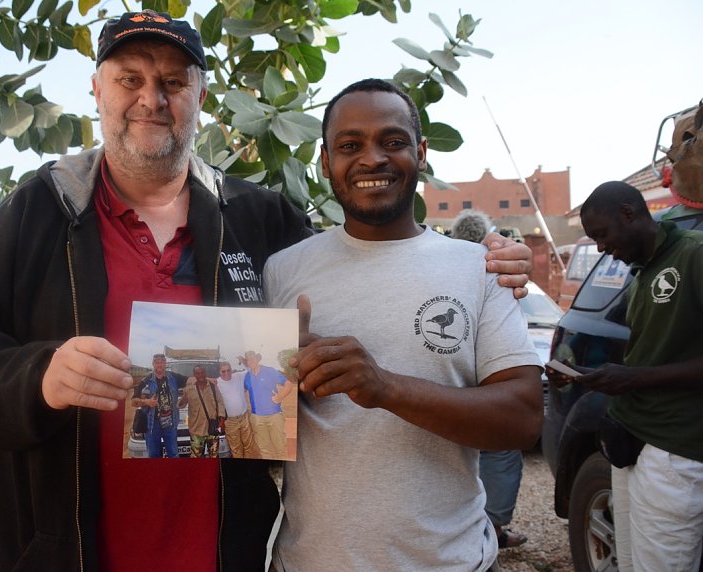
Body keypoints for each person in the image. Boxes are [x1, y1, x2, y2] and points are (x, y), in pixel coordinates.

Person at [0, 11, 533, 572]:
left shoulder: (258, 218)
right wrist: (38, 376)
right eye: (130, 79)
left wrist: (486, 260)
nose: (151, 100)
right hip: (69, 549)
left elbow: (363, 259)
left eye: (174, 83)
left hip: (225, 550)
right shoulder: (40, 210)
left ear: (201, 98)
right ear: (97, 91)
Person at [263, 79, 544, 571]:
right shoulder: (283, 270)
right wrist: (279, 382)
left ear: (421, 152)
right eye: (350, 146)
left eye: (392, 142)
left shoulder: (480, 267)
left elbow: (522, 419)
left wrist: (386, 387)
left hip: (450, 563)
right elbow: (257, 424)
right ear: (325, 162)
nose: (372, 158)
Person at [562, 180, 703, 571]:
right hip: (631, 442)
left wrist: (634, 378)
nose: (602, 248)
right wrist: (584, 375)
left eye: (602, 235)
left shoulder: (694, 256)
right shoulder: (640, 273)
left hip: (675, 450)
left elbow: (642, 372)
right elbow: (649, 356)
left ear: (629, 212)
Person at [451, 209, 528, 549]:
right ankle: (493, 526)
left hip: (455, 386)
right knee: (499, 453)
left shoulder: (453, 265)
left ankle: (485, 527)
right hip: (488, 383)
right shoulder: (492, 266)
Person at [129, 353, 187, 458]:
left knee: (174, 454)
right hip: (152, 425)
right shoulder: (145, 381)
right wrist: (147, 402)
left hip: (170, 423)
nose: (159, 365)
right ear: (153, 364)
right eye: (157, 362)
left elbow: (191, 381)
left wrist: (209, 379)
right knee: (154, 455)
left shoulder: (174, 377)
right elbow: (133, 401)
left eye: (162, 362)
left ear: (165, 363)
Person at [241, 350, 292, 459]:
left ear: (257, 359)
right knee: (264, 450)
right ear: (247, 362)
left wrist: (280, 396)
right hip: (257, 418)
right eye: (249, 360)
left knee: (280, 449)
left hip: (274, 416)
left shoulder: (270, 371)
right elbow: (242, 390)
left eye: (253, 358)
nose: (251, 361)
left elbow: (288, 384)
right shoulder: (247, 377)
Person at [216, 360, 258, 458]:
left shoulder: (238, 376)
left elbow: (251, 368)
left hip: (244, 418)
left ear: (231, 370)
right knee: (236, 449)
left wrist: (244, 361)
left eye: (228, 370)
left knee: (249, 447)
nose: (226, 373)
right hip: (230, 422)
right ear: (219, 372)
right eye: (223, 371)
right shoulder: (217, 382)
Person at [185, 364, 226, 458]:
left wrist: (221, 421)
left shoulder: (212, 386)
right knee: (196, 457)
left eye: (202, 372)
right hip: (196, 430)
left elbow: (220, 402)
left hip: (213, 429)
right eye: (197, 373)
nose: (200, 375)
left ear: (205, 373)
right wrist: (184, 396)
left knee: (214, 456)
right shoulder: (189, 389)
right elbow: (180, 405)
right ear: (194, 375)